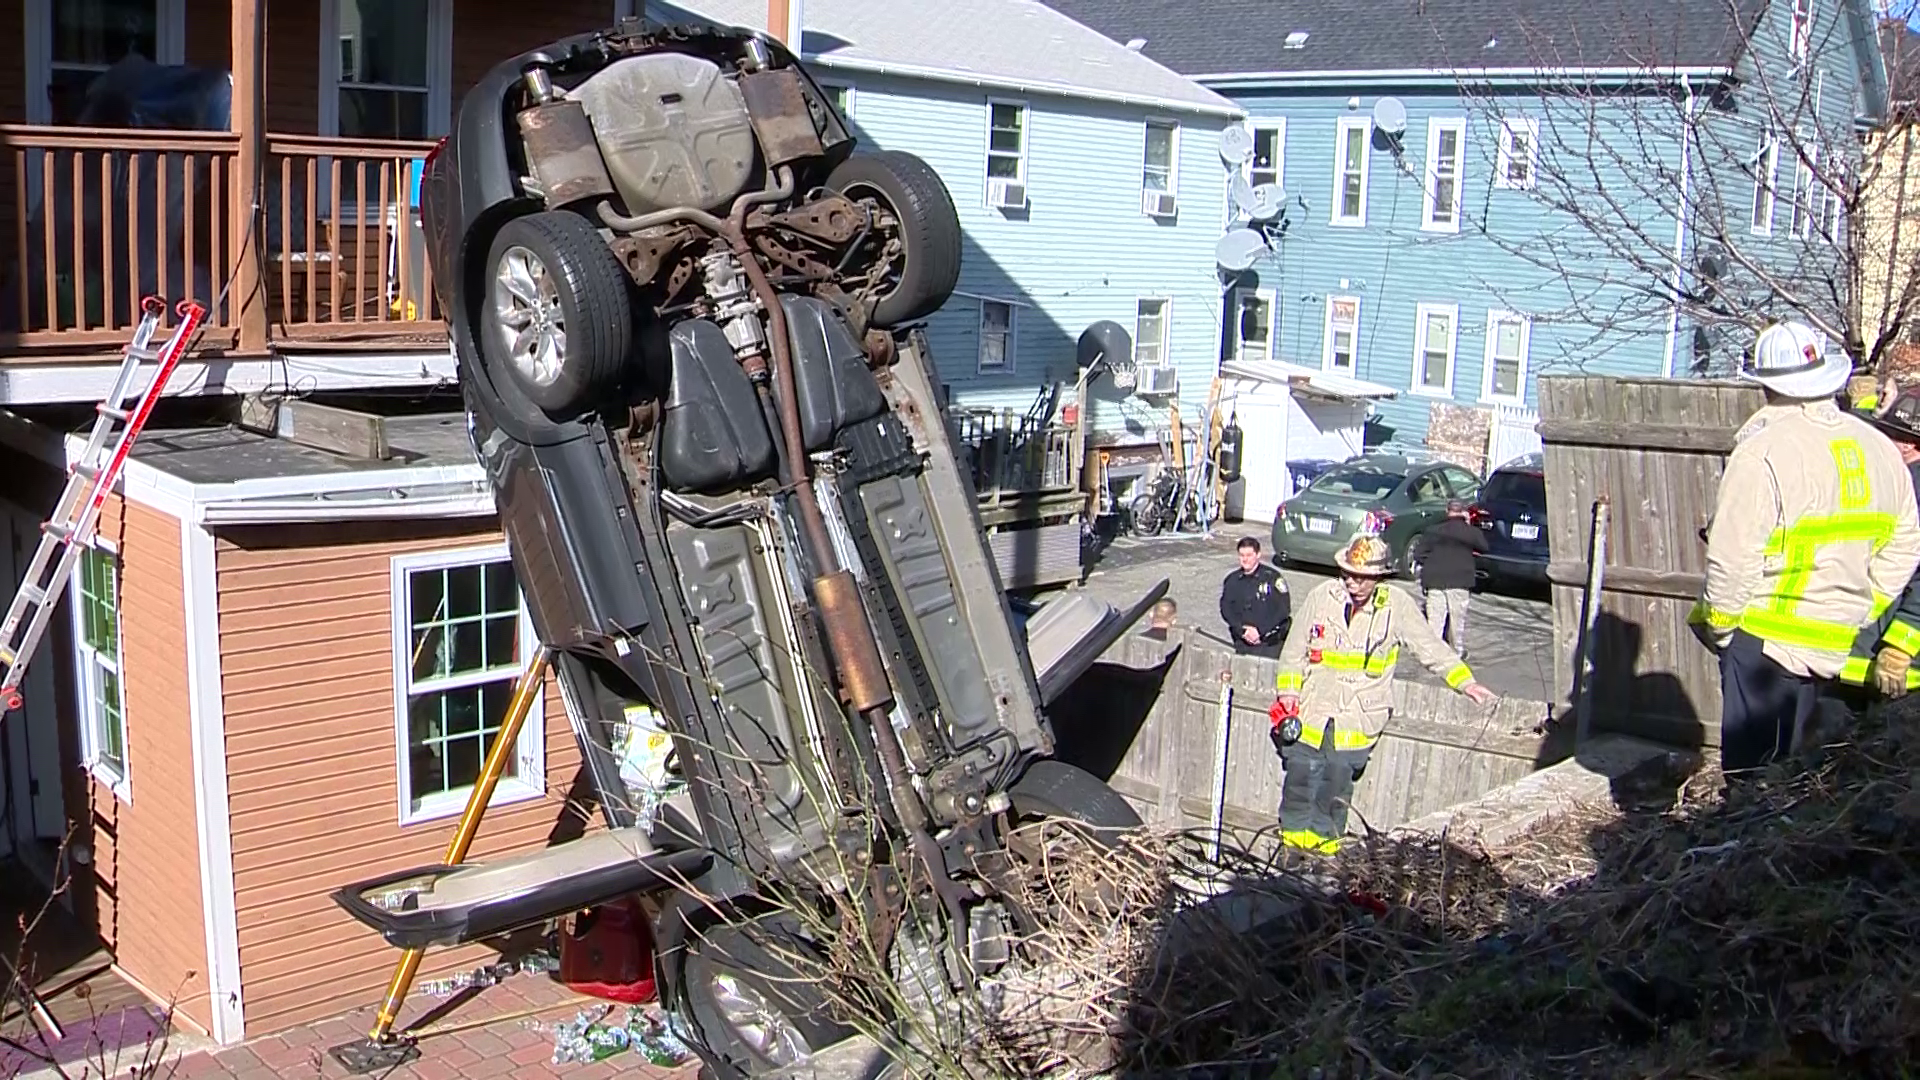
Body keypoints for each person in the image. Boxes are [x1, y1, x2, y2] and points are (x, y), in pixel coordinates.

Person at [1689, 321, 1920, 778]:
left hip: (1764, 646)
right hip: (1838, 648)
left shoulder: (1760, 453)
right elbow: (1904, 547)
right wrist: (1856, 609)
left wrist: (1720, 630)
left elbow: (1732, 564)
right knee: (1806, 787)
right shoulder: (1878, 448)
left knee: (1753, 789)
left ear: (1765, 383)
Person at [1270, 532, 1498, 855]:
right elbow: (1294, 652)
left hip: (1356, 720)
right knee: (1299, 782)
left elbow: (1430, 647)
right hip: (1311, 711)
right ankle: (1290, 858)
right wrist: (1289, 693)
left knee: (1334, 788)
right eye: (1348, 574)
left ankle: (1322, 862)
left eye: (1361, 578)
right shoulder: (1322, 597)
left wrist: (1464, 682)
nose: (1352, 583)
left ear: (1377, 577)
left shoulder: (1395, 606)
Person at [1836, 381, 1920, 699]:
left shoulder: (1910, 489)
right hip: (1850, 658)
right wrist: (1864, 401)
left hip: (1893, 672)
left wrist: (1900, 647)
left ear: (1908, 445)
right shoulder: (1889, 481)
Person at [1410, 499, 1488, 655]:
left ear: (1447, 511)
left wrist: (1432, 561)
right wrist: (1468, 523)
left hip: (1435, 579)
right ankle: (1455, 652)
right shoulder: (1470, 532)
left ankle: (1433, 652)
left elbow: (1418, 554)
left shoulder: (1433, 530)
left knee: (1435, 621)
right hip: (1460, 580)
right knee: (1456, 622)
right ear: (1463, 512)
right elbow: (1484, 547)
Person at [1220, 536, 1290, 657]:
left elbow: (1283, 610)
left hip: (1269, 644)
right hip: (1243, 642)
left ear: (1258, 555)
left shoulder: (1272, 578)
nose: (1245, 559)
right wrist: (1243, 631)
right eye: (1242, 555)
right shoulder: (1232, 580)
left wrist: (1260, 631)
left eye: (1249, 555)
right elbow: (1226, 609)